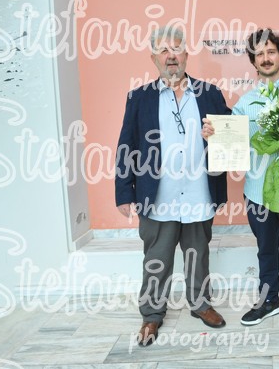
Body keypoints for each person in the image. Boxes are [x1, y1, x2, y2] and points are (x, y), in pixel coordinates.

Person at [203, 28, 279, 347]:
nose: (266, 58)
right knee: (265, 251)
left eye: (271, 52)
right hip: (256, 191)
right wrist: (215, 136)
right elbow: (235, 145)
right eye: (259, 54)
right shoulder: (245, 103)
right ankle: (268, 301)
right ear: (253, 61)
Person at [115, 27, 230, 347]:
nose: (171, 55)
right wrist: (124, 191)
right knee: (157, 257)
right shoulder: (139, 97)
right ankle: (152, 313)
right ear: (153, 58)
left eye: (176, 49)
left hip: (199, 191)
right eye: (164, 50)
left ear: (186, 55)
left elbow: (230, 135)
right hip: (158, 195)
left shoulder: (210, 93)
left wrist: (218, 134)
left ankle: (201, 304)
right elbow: (126, 145)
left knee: (198, 253)